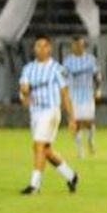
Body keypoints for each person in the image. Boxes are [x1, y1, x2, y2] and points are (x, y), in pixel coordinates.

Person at [18, 35, 79, 195]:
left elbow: (65, 94)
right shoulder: (28, 68)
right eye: (38, 46)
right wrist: (24, 95)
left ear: (50, 48)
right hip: (35, 113)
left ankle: (34, 186)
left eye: (45, 46)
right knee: (46, 150)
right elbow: (23, 88)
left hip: (51, 111)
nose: (41, 49)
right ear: (34, 49)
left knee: (38, 145)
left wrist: (71, 118)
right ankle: (71, 176)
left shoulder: (57, 69)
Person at [64, 36, 102, 158]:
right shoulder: (67, 62)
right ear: (72, 47)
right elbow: (63, 79)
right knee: (76, 123)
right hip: (74, 96)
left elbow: (97, 75)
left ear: (83, 46)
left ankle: (90, 140)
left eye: (80, 45)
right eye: (75, 45)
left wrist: (98, 89)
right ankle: (80, 150)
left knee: (89, 122)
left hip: (88, 95)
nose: (78, 47)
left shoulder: (90, 60)